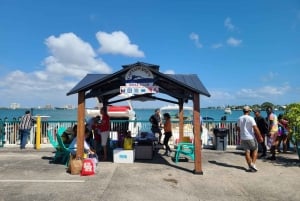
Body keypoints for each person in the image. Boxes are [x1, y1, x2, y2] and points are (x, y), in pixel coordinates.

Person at [237, 106, 263, 172]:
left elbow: (238, 129)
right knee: (255, 149)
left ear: (243, 111)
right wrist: (260, 136)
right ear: (249, 111)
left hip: (243, 137)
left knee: (247, 152)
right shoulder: (251, 118)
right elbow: (255, 128)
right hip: (250, 137)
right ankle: (253, 164)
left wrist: (240, 136)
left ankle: (249, 166)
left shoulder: (239, 118)